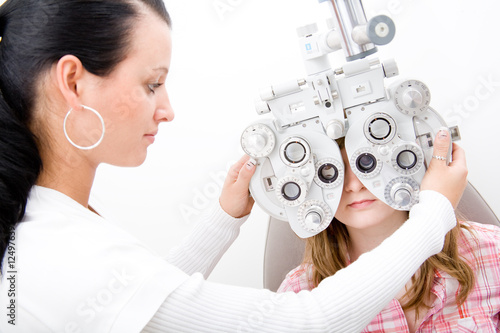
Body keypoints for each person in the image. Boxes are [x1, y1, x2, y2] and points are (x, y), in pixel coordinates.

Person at [0, 0, 468, 332]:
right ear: (74, 82)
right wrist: (433, 214)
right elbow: (312, 322)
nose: (167, 110)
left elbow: (135, 303)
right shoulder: (63, 255)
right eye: (152, 84)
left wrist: (224, 218)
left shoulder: (46, 227)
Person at [278, 137, 500, 332]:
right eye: (329, 172)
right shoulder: (299, 292)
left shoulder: (491, 251)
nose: (354, 185)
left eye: (367, 162)